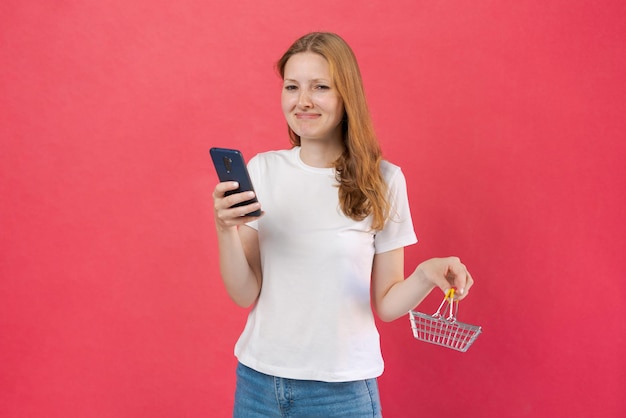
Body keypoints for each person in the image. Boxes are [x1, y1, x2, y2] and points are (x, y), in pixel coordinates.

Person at [212, 32, 474, 417]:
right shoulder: (263, 170)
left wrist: (424, 275)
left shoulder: (384, 180)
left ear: (346, 95)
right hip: (258, 383)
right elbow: (243, 292)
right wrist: (224, 229)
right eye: (292, 87)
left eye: (320, 87)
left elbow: (386, 303)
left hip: (341, 392)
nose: (303, 101)